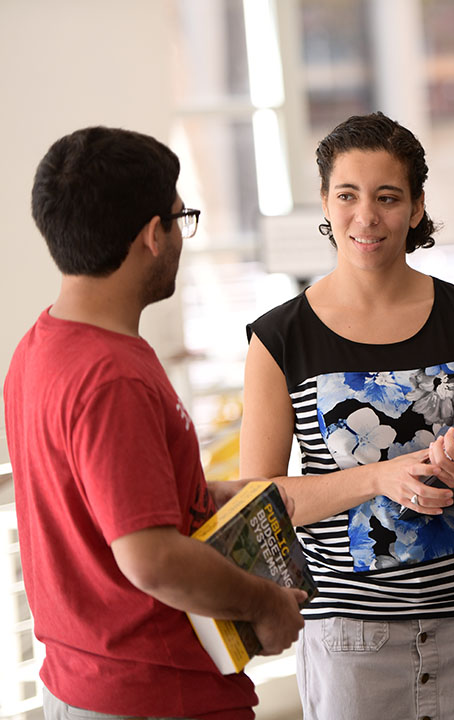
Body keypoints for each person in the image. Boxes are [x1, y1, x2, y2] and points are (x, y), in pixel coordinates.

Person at [239, 112, 454, 720]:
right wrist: (378, 477)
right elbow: (257, 500)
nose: (366, 217)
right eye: (348, 195)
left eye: (388, 197)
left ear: (417, 208)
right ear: (325, 201)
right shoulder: (279, 339)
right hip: (350, 645)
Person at [4, 127, 307, 720]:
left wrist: (211, 497)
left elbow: (99, 505)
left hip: (81, 680)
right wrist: (266, 605)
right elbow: (150, 558)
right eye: (180, 218)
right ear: (152, 235)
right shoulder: (112, 375)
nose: (180, 238)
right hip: (156, 692)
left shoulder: (39, 346)